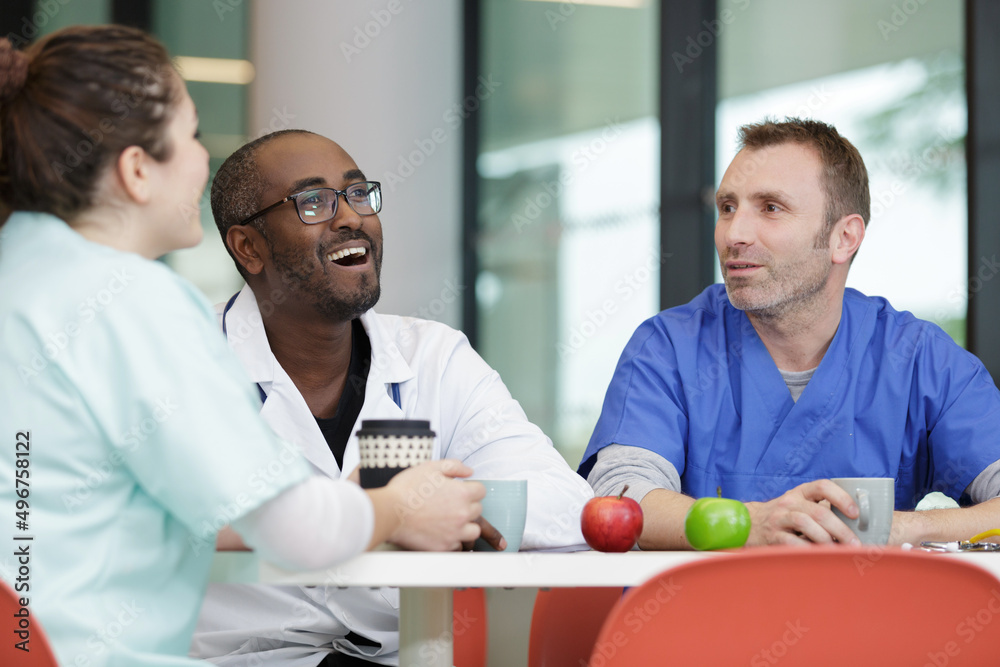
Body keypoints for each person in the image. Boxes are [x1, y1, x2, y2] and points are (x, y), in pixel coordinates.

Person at [0, 26, 486, 667]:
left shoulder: (20, 275)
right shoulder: (130, 299)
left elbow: (77, 501)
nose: (204, 160)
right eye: (192, 135)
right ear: (138, 170)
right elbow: (295, 528)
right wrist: (400, 508)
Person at [190, 129, 594, 665]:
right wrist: (382, 514)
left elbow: (566, 504)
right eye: (314, 202)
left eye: (359, 194)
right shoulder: (184, 362)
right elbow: (159, 519)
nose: (350, 217)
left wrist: (437, 510)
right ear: (248, 247)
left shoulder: (435, 356)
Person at [580, 118, 1000, 549]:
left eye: (770, 208)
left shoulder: (919, 360)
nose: (734, 234)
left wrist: (899, 529)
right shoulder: (669, 348)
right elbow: (620, 498)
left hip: (868, 596)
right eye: (727, 208)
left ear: (844, 238)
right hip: (702, 597)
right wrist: (749, 524)